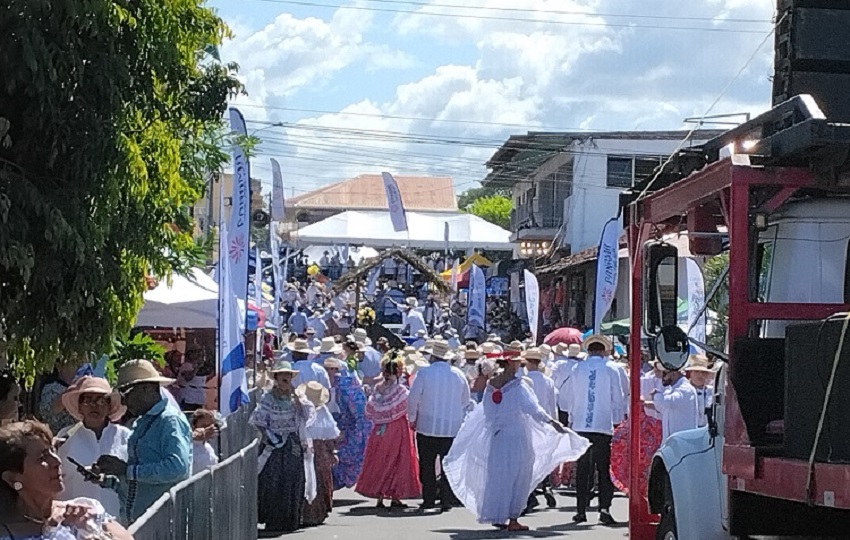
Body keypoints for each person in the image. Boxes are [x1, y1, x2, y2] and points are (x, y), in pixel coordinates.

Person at [443, 355, 589, 532]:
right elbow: (533, 409)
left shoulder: (492, 384)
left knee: (497, 476)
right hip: (515, 435)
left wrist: (497, 424)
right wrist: (551, 422)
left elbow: (488, 411)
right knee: (518, 476)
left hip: (496, 436)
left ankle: (497, 513)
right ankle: (512, 517)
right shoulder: (518, 386)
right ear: (512, 363)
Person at [94, 360, 192, 525]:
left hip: (163, 524)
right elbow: (140, 484)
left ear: (147, 388)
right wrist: (108, 479)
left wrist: (127, 470)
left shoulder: (169, 421)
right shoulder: (143, 422)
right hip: (142, 523)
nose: (123, 402)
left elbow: (177, 468)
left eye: (126, 393)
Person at [0, 420, 134, 540]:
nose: (57, 461)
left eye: (52, 451)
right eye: (42, 457)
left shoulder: (86, 511)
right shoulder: (7, 532)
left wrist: (95, 531)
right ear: (12, 479)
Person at [562, 335, 626, 525]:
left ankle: (581, 509)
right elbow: (618, 397)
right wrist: (617, 420)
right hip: (603, 424)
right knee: (604, 468)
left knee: (583, 468)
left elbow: (571, 397)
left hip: (581, 424)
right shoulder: (612, 368)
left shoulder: (577, 368)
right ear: (603, 350)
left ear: (589, 350)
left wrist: (572, 419)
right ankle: (604, 508)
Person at [251, 360, 315, 534]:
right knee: (272, 480)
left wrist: (296, 397)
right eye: (282, 375)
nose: (285, 378)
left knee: (292, 479)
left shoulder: (297, 397)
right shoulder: (268, 397)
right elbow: (258, 420)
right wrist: (267, 438)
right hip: (274, 444)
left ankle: (290, 519)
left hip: (292, 444)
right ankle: (273, 519)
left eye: (288, 375)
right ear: (277, 378)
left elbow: (308, 415)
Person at [407, 341, 470, 512]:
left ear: (432, 356)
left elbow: (413, 398)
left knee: (427, 464)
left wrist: (411, 418)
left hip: (427, 426)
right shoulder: (458, 374)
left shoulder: (424, 373)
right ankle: (446, 499)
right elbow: (465, 400)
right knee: (447, 465)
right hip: (451, 428)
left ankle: (428, 499)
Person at [56, 376, 130, 518]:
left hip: (115, 520)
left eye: (101, 401)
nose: (94, 406)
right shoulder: (65, 437)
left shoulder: (125, 437)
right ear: (80, 407)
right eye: (87, 400)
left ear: (109, 406)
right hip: (74, 521)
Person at [356, 354, 421, 508]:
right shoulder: (401, 391)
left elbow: (370, 410)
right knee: (398, 460)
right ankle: (395, 496)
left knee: (380, 459)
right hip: (398, 428)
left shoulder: (378, 389)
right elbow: (406, 408)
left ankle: (380, 496)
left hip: (379, 428)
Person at [327, 356, 372, 490]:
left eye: (332, 369)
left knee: (348, 455)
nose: (329, 372)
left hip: (347, 427)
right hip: (333, 426)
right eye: (327, 369)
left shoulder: (346, 387)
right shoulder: (329, 384)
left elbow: (357, 413)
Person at [298, 382, 340, 527]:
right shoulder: (309, 411)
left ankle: (312, 513)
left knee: (317, 480)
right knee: (313, 479)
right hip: (312, 448)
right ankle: (311, 514)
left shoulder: (319, 411)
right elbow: (332, 434)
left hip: (314, 449)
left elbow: (331, 434)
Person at [649, 364, 700, 441]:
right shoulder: (671, 390)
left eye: (665, 373)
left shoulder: (685, 389)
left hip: (684, 442)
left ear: (674, 373)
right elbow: (662, 407)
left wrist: (656, 395)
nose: (662, 376)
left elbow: (668, 402)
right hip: (673, 442)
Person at [38, 362, 79, 436]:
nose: (75, 368)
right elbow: (53, 411)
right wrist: (73, 389)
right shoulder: (50, 388)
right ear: (59, 366)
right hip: (58, 436)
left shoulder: (78, 388)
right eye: (71, 364)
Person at [685, 354, 715, 428]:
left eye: (703, 372)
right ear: (690, 373)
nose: (700, 375)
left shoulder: (712, 392)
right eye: (696, 371)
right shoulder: (683, 391)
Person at [190, 409, 220, 475]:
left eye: (210, 426)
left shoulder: (209, 448)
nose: (208, 429)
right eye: (203, 426)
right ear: (194, 427)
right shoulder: (190, 449)